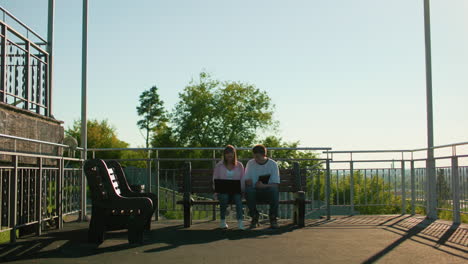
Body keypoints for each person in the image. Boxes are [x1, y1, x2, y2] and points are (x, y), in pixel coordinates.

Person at [244, 144, 280, 229]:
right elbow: (246, 179)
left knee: (274, 190)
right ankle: (254, 217)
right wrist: (247, 182)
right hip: (254, 192)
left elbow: (276, 184)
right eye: (254, 156)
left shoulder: (273, 164)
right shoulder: (250, 163)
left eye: (258, 157)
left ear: (264, 155)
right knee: (249, 190)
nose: (256, 159)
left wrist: (264, 186)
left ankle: (273, 217)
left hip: (267, 192)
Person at [212, 145, 246, 230]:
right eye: (227, 155)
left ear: (234, 155)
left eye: (231, 155)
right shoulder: (219, 165)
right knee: (224, 196)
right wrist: (217, 189)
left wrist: (241, 190)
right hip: (223, 191)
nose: (229, 157)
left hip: (236, 191)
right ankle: (223, 221)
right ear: (224, 155)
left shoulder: (239, 165)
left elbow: (242, 179)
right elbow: (215, 179)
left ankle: (240, 222)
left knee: (238, 198)